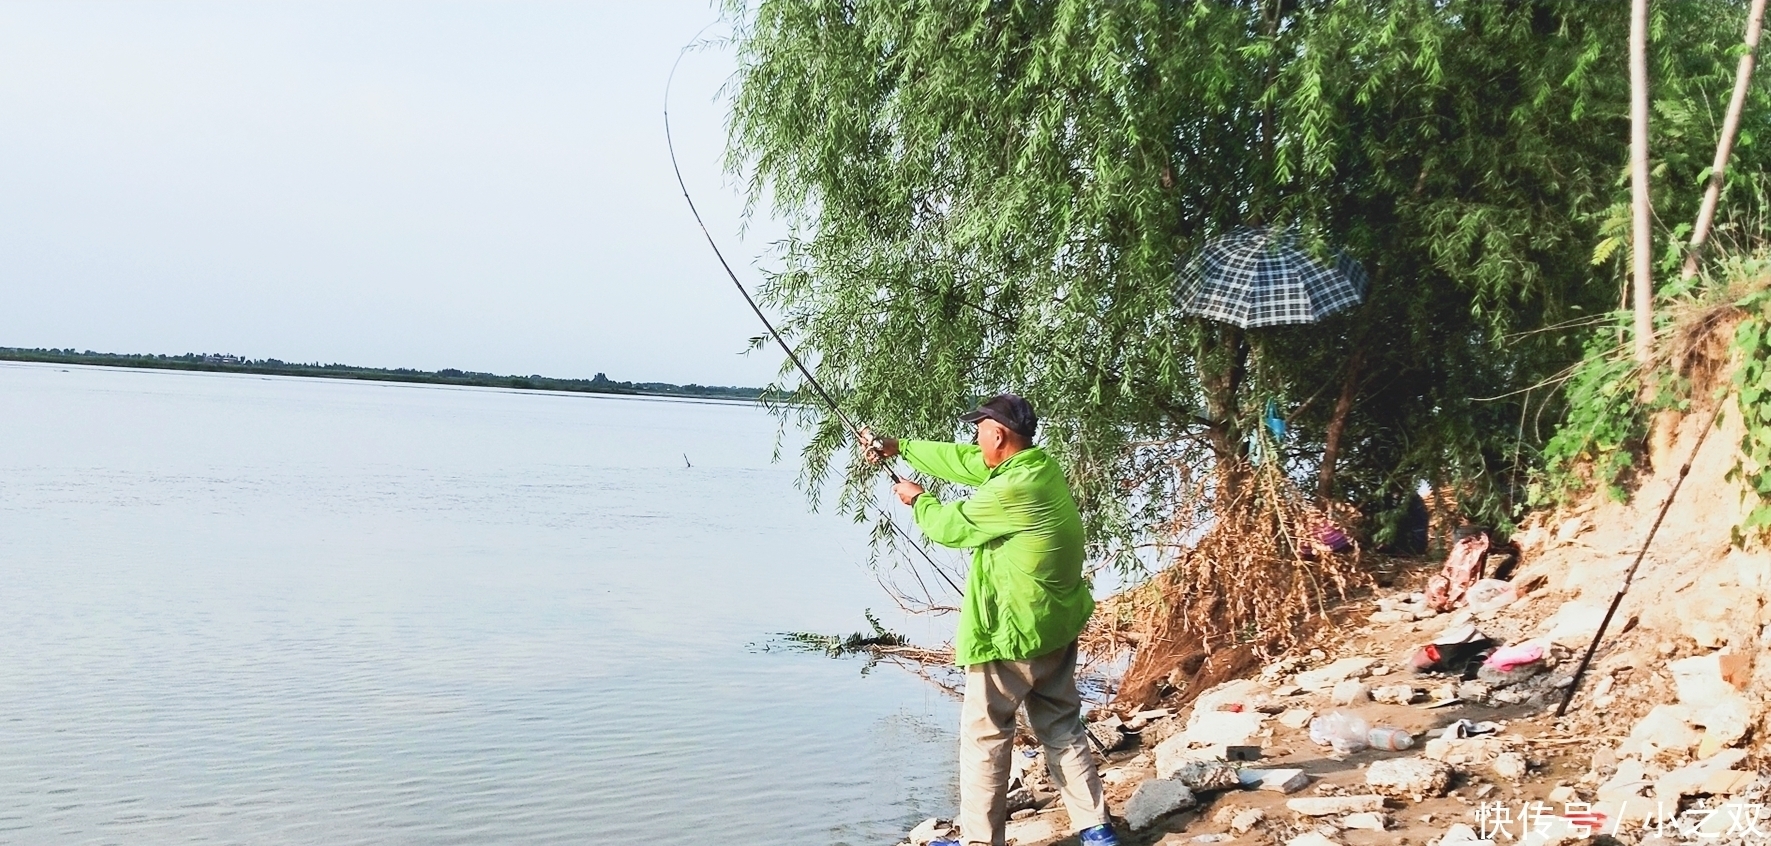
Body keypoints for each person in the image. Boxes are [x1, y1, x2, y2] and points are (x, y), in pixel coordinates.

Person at [867, 394, 1118, 846]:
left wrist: (918, 499)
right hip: (1054, 628)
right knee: (1061, 727)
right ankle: (1096, 830)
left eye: (979, 430)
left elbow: (951, 527)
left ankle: (981, 842)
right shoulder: (1037, 468)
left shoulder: (1012, 490)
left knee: (985, 736)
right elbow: (965, 461)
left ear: (998, 435)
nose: (974, 438)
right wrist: (899, 446)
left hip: (1012, 635)